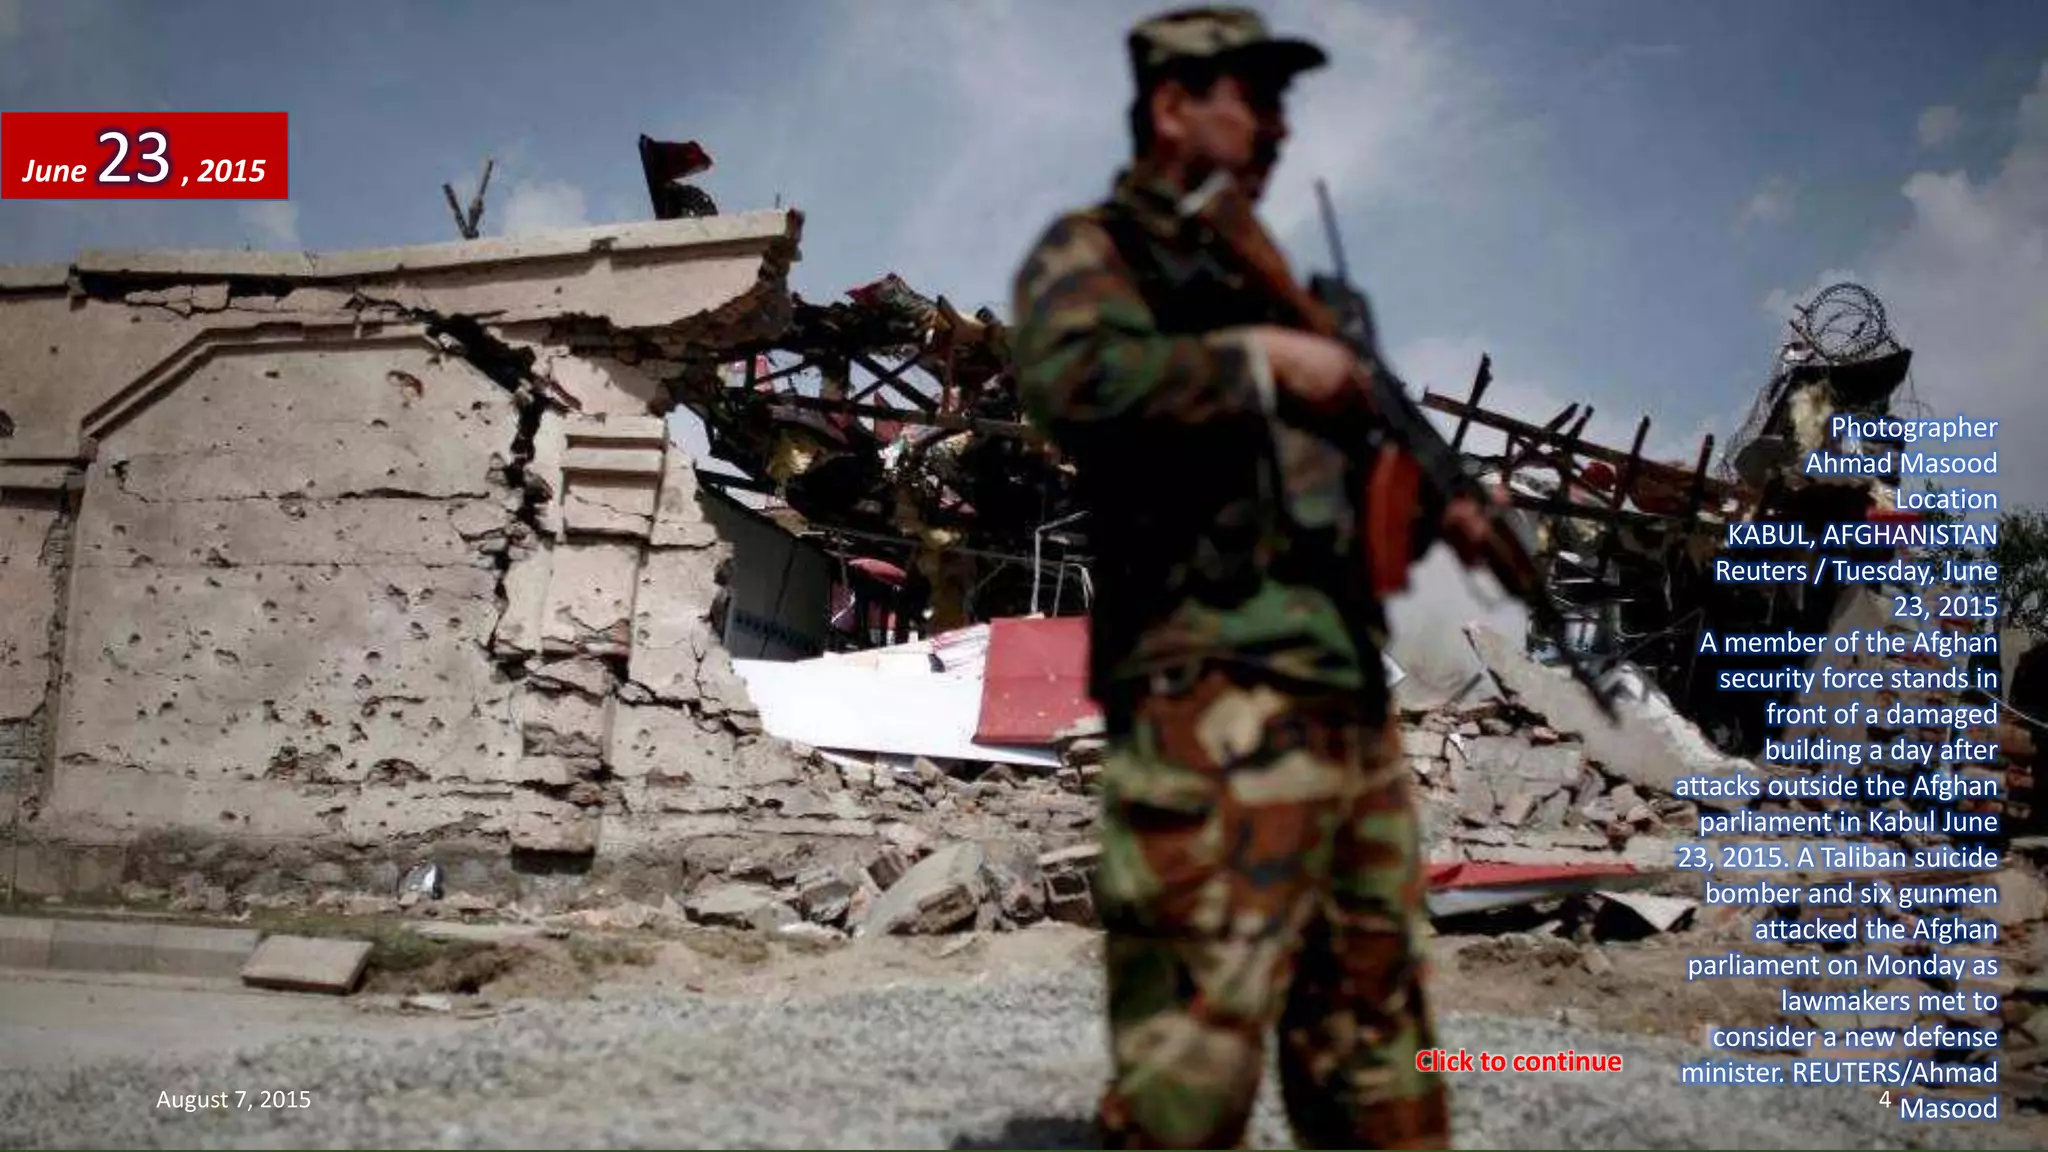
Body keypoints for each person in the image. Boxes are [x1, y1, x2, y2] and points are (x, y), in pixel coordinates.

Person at [1009, 6, 1490, 1148]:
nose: (1278, 125)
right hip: (1207, 705)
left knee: (1379, 1061)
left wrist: (1442, 507)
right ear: (1174, 103)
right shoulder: (1101, 248)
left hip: (1344, 716)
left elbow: (1329, 494)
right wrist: (1257, 361)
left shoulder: (1278, 286)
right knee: (1190, 1073)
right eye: (1254, 97)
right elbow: (1069, 378)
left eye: (1283, 103)